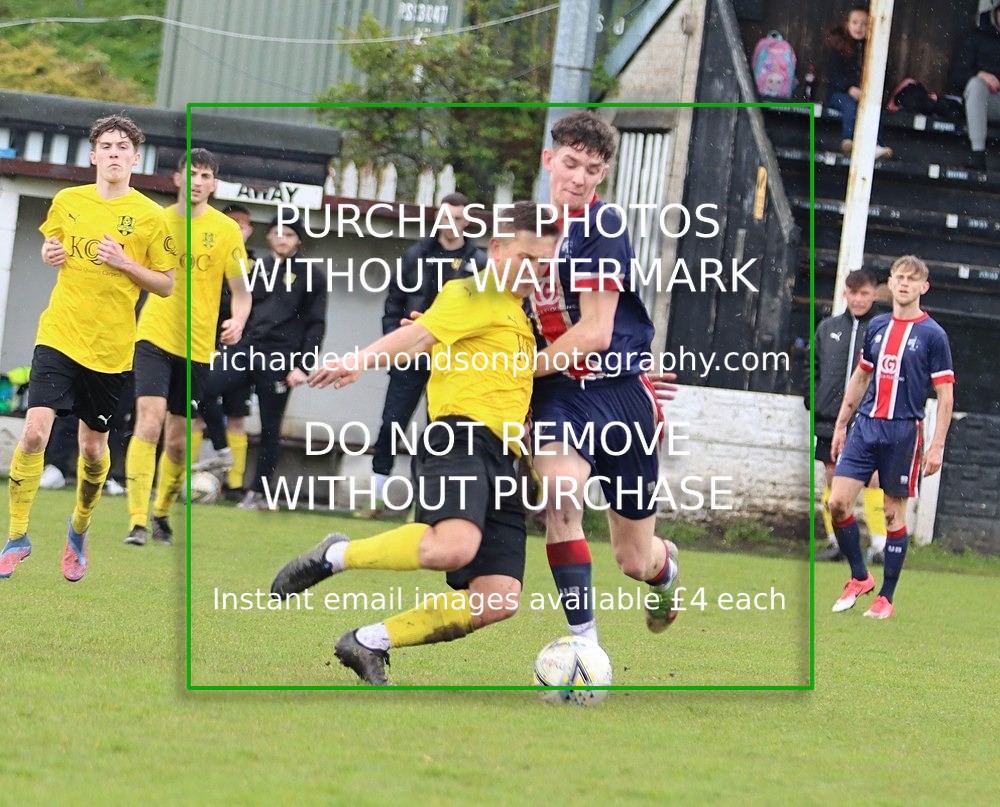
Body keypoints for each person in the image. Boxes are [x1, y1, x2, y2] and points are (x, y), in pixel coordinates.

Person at [270, 201, 559, 685]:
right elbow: (419, 335)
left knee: (498, 597)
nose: (535, 272)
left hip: (505, 458)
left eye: (544, 264)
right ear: (498, 248)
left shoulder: (516, 311)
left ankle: (368, 642)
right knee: (453, 547)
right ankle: (334, 556)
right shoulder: (473, 290)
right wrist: (357, 361)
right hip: (461, 436)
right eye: (527, 259)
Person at [524, 111, 678, 644]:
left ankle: (666, 573)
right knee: (561, 496)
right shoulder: (527, 229)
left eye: (592, 169)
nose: (579, 177)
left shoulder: (602, 227)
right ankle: (584, 645)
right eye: (570, 163)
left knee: (634, 560)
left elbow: (594, 332)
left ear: (603, 175)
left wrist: (524, 367)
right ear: (549, 160)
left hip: (619, 395)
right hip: (560, 395)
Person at [0, 114, 174, 581]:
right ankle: (17, 535)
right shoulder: (67, 200)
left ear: (135, 159)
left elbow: (166, 285)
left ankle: (78, 529)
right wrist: (49, 253)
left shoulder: (150, 217)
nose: (114, 153)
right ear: (94, 155)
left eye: (123, 147)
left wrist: (124, 263)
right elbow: (51, 248)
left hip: (112, 349)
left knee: (94, 452)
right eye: (106, 146)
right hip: (59, 333)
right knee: (34, 431)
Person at [123, 149, 251, 546]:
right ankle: (137, 520)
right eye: (191, 173)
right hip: (153, 335)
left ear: (214, 184)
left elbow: (242, 292)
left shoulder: (227, 231)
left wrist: (239, 320)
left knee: (177, 440)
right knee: (149, 418)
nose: (197, 181)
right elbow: (132, 272)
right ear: (177, 178)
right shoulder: (156, 221)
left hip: (197, 349)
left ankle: (161, 512)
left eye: (206, 175)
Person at [829, 255, 954, 619]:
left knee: (891, 513)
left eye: (911, 280)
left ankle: (886, 597)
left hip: (904, 430)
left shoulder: (933, 335)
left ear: (923, 287)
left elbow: (945, 396)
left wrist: (937, 445)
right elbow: (861, 376)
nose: (903, 284)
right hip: (865, 426)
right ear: (891, 282)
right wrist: (841, 425)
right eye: (899, 277)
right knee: (837, 503)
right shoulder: (878, 326)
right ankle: (859, 577)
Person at [361, 192, 487, 516]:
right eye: (447, 217)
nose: (452, 224)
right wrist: (394, 343)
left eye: (458, 218)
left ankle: (426, 502)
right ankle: (377, 496)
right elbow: (394, 302)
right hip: (410, 355)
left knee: (438, 431)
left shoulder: (478, 262)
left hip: (451, 361)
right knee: (392, 423)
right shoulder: (416, 254)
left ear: (467, 220)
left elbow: (482, 314)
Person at [197, 213, 326, 510]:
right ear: (268, 236)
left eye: (290, 234)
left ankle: (258, 492)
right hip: (246, 350)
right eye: (278, 233)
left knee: (270, 427)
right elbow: (234, 306)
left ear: (299, 239)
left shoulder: (312, 275)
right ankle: (221, 449)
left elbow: (316, 325)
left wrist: (302, 366)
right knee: (201, 387)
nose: (283, 239)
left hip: (282, 359)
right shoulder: (253, 269)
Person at [809, 268, 887, 563]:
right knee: (832, 478)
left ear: (873, 295)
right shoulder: (827, 327)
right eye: (853, 293)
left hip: (869, 418)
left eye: (864, 293)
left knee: (875, 479)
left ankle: (880, 545)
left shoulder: (882, 329)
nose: (858, 299)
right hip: (830, 417)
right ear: (845, 293)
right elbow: (812, 368)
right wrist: (814, 399)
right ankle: (837, 543)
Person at [191, 203, 256, 502]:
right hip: (208, 345)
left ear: (249, 231)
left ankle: (235, 485)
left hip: (242, 352)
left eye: (241, 227)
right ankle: (186, 476)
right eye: (231, 225)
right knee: (197, 406)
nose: (235, 231)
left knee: (236, 416)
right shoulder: (208, 260)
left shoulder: (256, 266)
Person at [825, 3, 893, 160]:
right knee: (849, 105)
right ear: (847, 24)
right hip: (839, 93)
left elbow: (882, 75)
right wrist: (849, 88)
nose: (859, 27)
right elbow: (833, 76)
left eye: (864, 24)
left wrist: (869, 92)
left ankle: (876, 144)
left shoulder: (873, 49)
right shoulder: (838, 47)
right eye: (855, 23)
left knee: (874, 109)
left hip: (864, 94)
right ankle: (848, 140)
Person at [948, 1, 1000, 170]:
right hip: (983, 103)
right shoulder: (976, 36)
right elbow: (956, 75)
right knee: (976, 85)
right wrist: (980, 75)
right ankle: (978, 154)